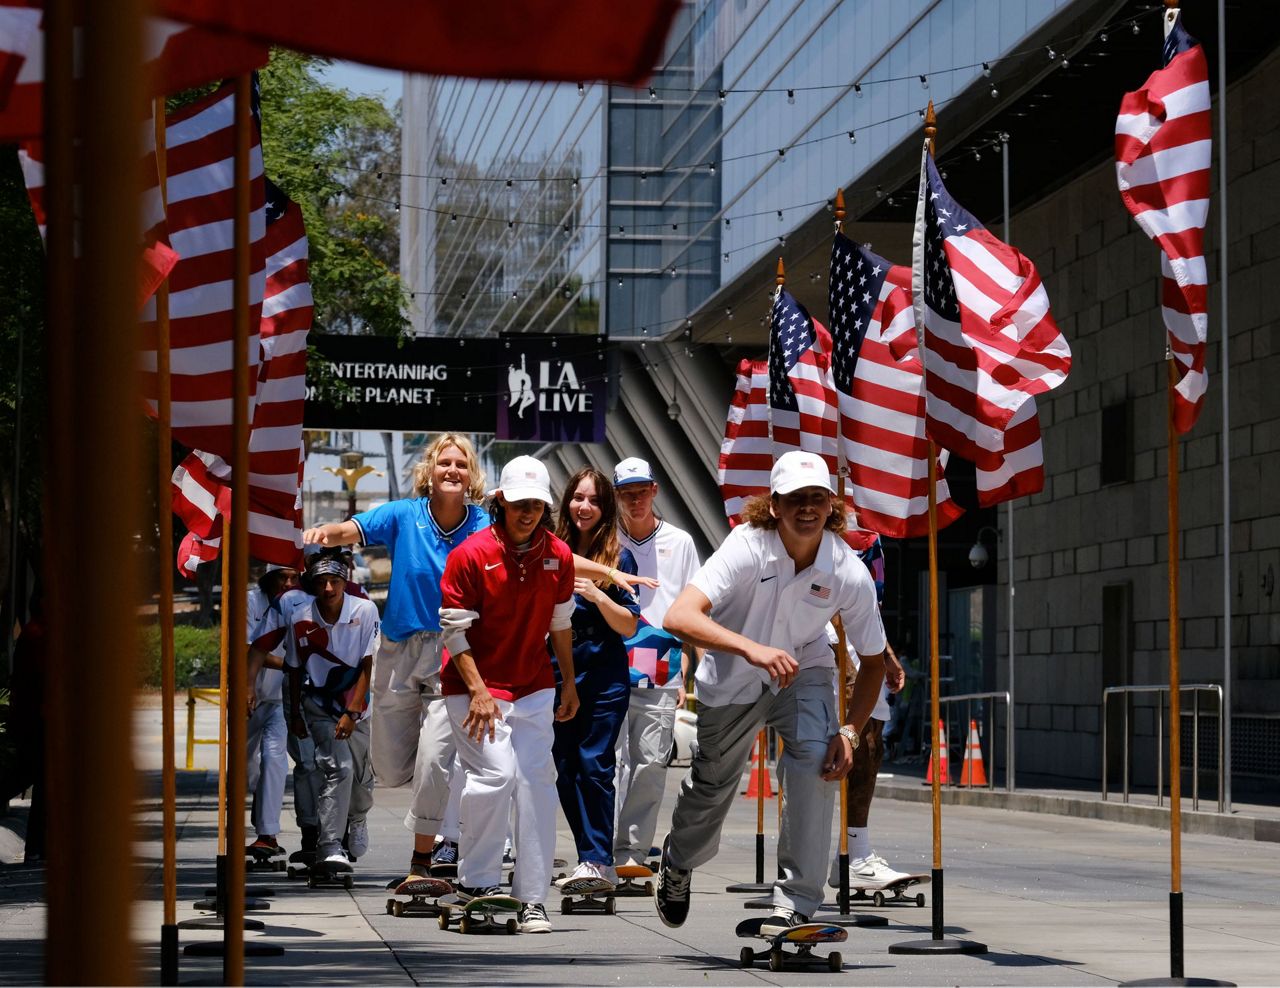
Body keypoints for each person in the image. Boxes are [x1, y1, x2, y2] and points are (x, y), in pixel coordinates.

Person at [655, 451, 887, 935]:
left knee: (815, 765)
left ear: (831, 506)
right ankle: (678, 861)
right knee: (713, 785)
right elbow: (679, 616)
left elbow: (873, 661)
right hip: (734, 677)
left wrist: (849, 731)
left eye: (817, 499)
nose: (807, 508)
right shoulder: (747, 546)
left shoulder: (847, 568)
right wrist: (752, 649)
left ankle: (796, 902)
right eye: (796, 499)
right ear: (774, 506)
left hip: (805, 669)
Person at [302, 434, 489, 884]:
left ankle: (425, 858)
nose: (451, 470)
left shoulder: (484, 523)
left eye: (461, 464)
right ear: (429, 470)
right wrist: (325, 533)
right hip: (398, 652)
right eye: (443, 462)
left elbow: (545, 553)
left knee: (434, 759)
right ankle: (395, 814)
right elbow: (353, 529)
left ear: (471, 475)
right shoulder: (405, 515)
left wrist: (604, 574)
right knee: (387, 767)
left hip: (454, 650)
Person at [438, 455, 578, 934]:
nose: (528, 513)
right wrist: (478, 692)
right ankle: (476, 884)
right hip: (473, 686)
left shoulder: (558, 554)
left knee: (537, 782)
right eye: (519, 504)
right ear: (501, 502)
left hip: (534, 684)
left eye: (536, 505)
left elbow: (561, 624)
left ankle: (532, 897)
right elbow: (454, 634)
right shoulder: (471, 554)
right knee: (496, 776)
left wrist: (570, 682)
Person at [248, 547, 379, 872]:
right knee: (329, 767)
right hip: (314, 700)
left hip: (356, 703)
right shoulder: (295, 610)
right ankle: (323, 841)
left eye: (335, 579)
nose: (328, 589)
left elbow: (368, 665)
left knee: (360, 776)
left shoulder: (363, 606)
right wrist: (291, 712)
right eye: (321, 581)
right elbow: (278, 656)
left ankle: (356, 819)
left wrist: (351, 711)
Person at [551, 467, 640, 893]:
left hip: (604, 673)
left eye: (594, 500)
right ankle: (591, 856)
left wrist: (598, 593)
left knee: (595, 764)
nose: (584, 507)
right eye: (577, 498)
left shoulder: (619, 556)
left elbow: (629, 627)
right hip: (555, 671)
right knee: (566, 769)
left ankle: (597, 860)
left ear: (605, 508)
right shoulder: (550, 550)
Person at [610, 457, 702, 869]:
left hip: (660, 660)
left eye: (641, 492)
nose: (635, 500)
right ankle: (600, 849)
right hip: (610, 657)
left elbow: (691, 606)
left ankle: (631, 851)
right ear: (616, 497)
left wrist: (685, 666)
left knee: (649, 761)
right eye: (627, 494)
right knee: (607, 761)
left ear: (654, 491)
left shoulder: (680, 542)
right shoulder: (605, 541)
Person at [245, 563, 301, 860]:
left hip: (281, 698)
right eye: (283, 576)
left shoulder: (301, 604)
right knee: (243, 768)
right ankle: (259, 810)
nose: (289, 583)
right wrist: (292, 664)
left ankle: (267, 833)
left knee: (274, 759)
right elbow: (248, 648)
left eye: (294, 577)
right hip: (249, 696)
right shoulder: (250, 601)